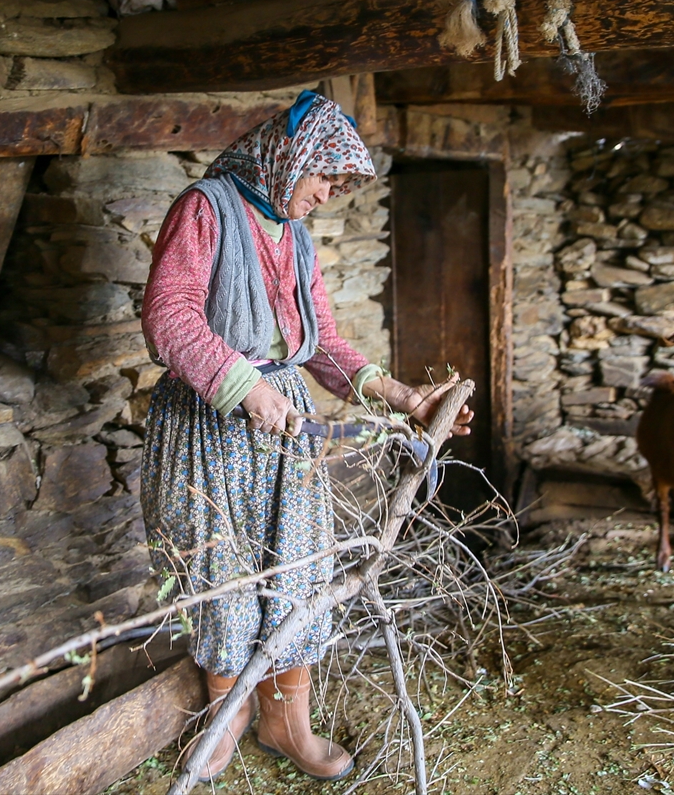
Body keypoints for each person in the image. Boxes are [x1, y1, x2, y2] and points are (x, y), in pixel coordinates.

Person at [140, 90, 472, 783]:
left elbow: (319, 345)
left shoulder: (294, 235)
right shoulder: (205, 209)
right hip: (210, 420)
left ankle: (285, 722)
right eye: (326, 179)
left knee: (295, 568)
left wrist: (402, 396)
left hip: (280, 423)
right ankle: (223, 722)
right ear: (289, 161)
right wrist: (242, 385)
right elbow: (169, 317)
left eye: (340, 186)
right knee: (221, 575)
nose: (327, 196)